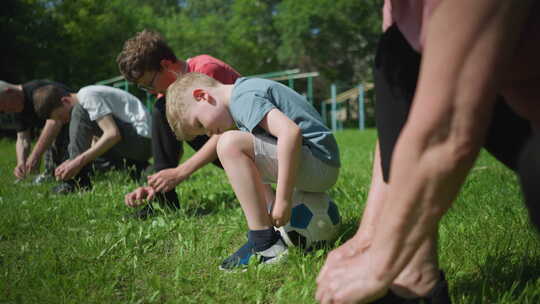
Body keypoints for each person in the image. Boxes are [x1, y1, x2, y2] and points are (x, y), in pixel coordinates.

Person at [315, 1, 540, 303]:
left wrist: (378, 265)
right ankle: (414, 274)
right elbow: (406, 113)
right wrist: (370, 235)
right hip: (523, 113)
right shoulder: (401, 7)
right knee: (397, 53)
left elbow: (444, 134)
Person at [164, 72, 341, 270]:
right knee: (241, 144)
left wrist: (283, 199)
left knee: (229, 144)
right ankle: (270, 225)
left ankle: (265, 245)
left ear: (202, 96)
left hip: (319, 163)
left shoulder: (243, 98)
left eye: (200, 125)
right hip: (321, 162)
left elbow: (290, 133)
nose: (209, 133)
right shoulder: (243, 93)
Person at [117, 29, 244, 219]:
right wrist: (156, 184)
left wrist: (180, 172)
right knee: (162, 107)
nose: (151, 92)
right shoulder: (170, 94)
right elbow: (172, 146)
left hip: (253, 143)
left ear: (166, 65)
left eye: (149, 84)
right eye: (145, 88)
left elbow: (227, 130)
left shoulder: (205, 69)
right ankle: (163, 199)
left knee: (162, 106)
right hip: (229, 144)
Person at [34, 84, 152, 194]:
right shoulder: (88, 97)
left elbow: (112, 134)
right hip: (139, 146)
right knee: (92, 152)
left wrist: (76, 161)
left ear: (65, 101)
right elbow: (99, 142)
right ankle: (142, 170)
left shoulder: (86, 95)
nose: (64, 121)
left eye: (60, 116)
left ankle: (76, 182)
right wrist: (70, 162)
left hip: (141, 140)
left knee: (80, 111)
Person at [0, 80, 72, 182]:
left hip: (74, 124)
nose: (5, 111)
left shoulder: (38, 91)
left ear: (9, 92)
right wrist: (21, 162)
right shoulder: (16, 108)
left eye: (3, 105)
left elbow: (55, 122)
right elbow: (22, 138)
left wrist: (35, 155)